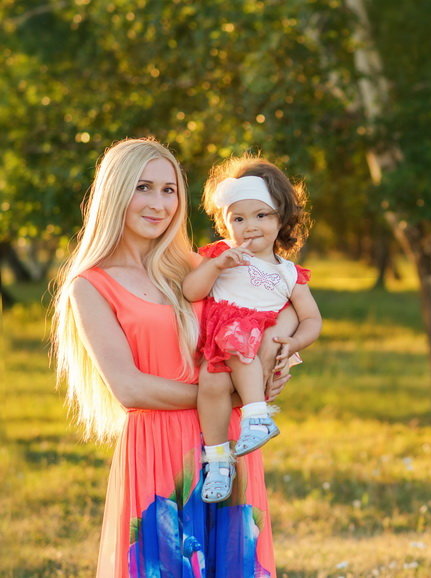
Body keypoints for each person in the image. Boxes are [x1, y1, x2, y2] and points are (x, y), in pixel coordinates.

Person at [51, 138, 295, 576]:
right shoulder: (91, 285)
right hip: (159, 449)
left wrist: (270, 364)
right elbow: (130, 388)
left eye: (169, 190)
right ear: (115, 193)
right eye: (143, 187)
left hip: (227, 442)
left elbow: (274, 308)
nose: (158, 203)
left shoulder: (201, 265)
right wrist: (231, 395)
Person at [183, 156, 321, 503]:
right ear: (225, 223)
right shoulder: (223, 254)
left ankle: (257, 416)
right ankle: (217, 460)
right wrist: (215, 266)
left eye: (262, 215)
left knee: (239, 340)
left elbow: (311, 319)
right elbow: (191, 291)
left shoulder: (289, 274)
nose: (250, 226)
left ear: (281, 218)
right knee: (211, 385)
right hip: (218, 344)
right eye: (238, 218)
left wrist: (293, 342)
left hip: (250, 341)